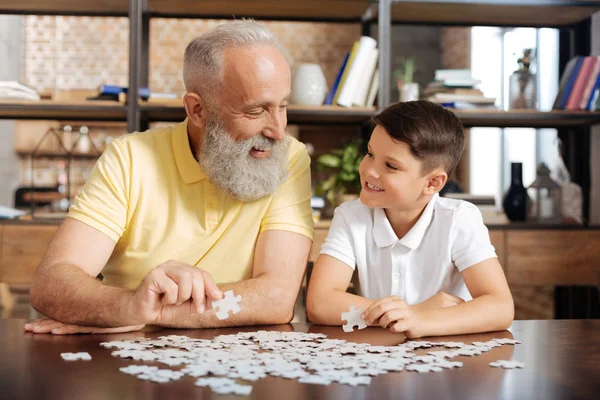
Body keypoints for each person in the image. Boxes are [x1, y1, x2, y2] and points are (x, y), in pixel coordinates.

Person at [25, 20, 313, 335]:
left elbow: (276, 299)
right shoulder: (130, 158)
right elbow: (51, 282)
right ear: (198, 110)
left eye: (282, 106)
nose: (278, 130)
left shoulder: (289, 157)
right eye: (256, 112)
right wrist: (130, 305)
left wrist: (144, 312)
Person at [306, 101, 514, 338]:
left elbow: (500, 307)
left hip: (450, 363)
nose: (369, 170)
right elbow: (319, 303)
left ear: (433, 183)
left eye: (390, 166)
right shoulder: (350, 216)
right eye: (370, 154)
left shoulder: (459, 219)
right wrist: (415, 313)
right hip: (378, 361)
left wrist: (418, 319)